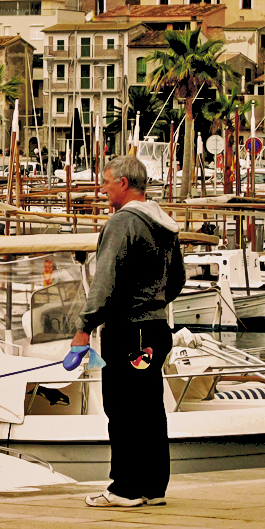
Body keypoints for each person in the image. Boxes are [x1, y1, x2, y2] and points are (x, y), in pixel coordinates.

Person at [70, 156, 184, 508]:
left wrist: (83, 328)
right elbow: (177, 278)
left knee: (122, 406)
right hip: (155, 328)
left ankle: (125, 488)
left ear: (122, 183)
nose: (102, 189)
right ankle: (152, 486)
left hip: (128, 330)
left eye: (106, 182)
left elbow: (103, 281)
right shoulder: (163, 222)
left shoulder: (123, 223)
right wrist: (155, 299)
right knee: (149, 408)